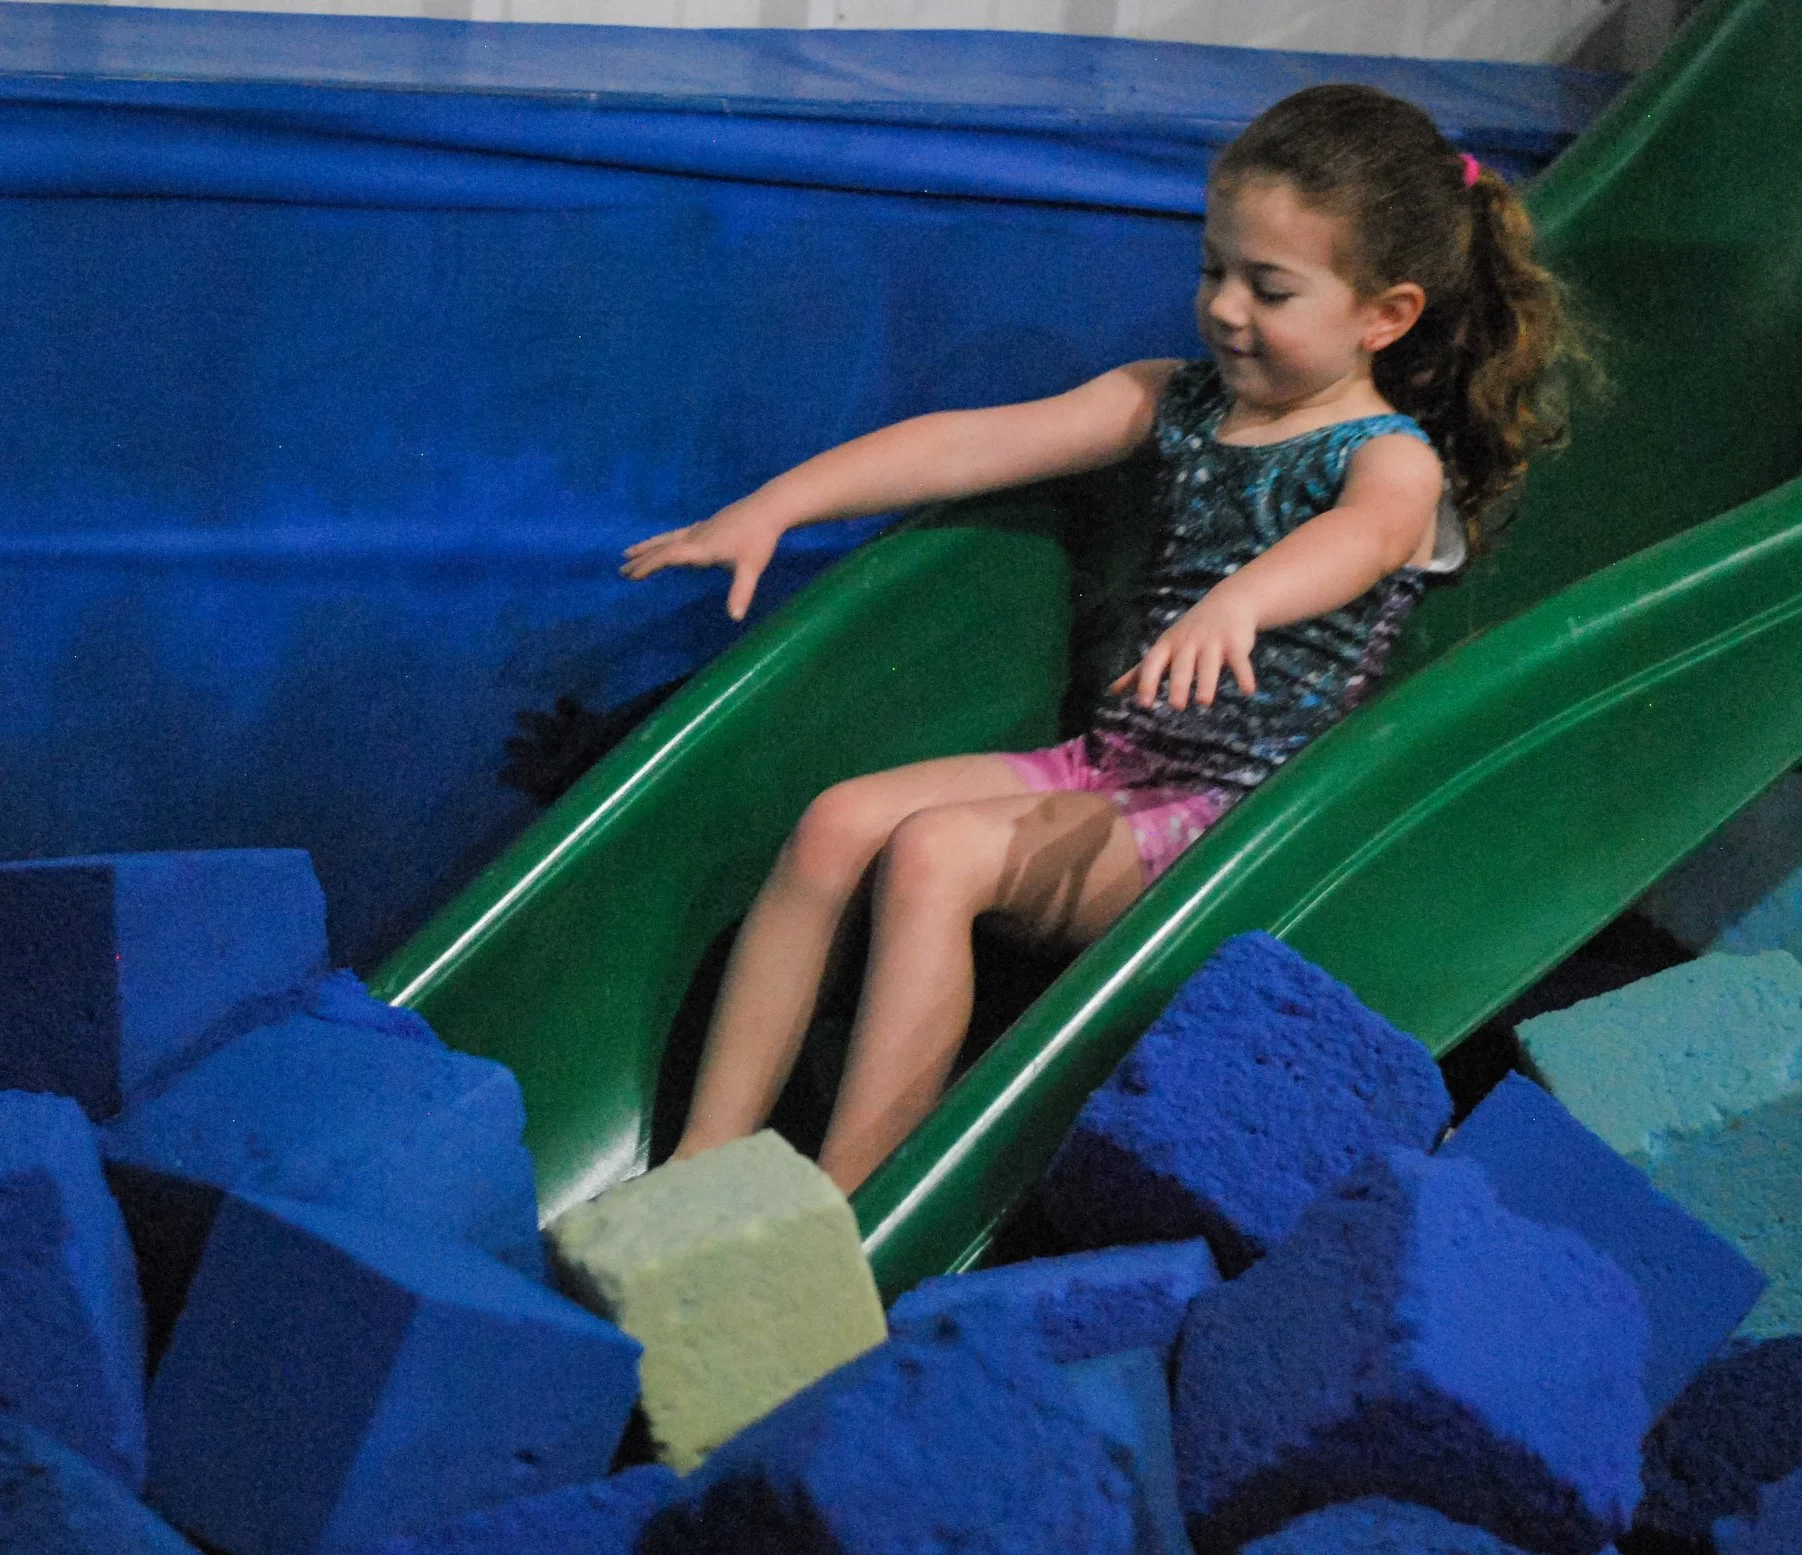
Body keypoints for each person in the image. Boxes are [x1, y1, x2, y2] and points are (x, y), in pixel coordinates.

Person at [620, 83, 1585, 1193]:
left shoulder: (1388, 457)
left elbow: (1365, 542)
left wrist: (1242, 600)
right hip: (1115, 772)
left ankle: (853, 1204)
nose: (1225, 308)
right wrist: (778, 504)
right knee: (839, 821)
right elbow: (966, 445)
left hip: (1232, 830)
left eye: (1269, 288)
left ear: (1386, 314)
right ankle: (703, 1157)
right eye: (1212, 269)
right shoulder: (1170, 400)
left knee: (936, 852)